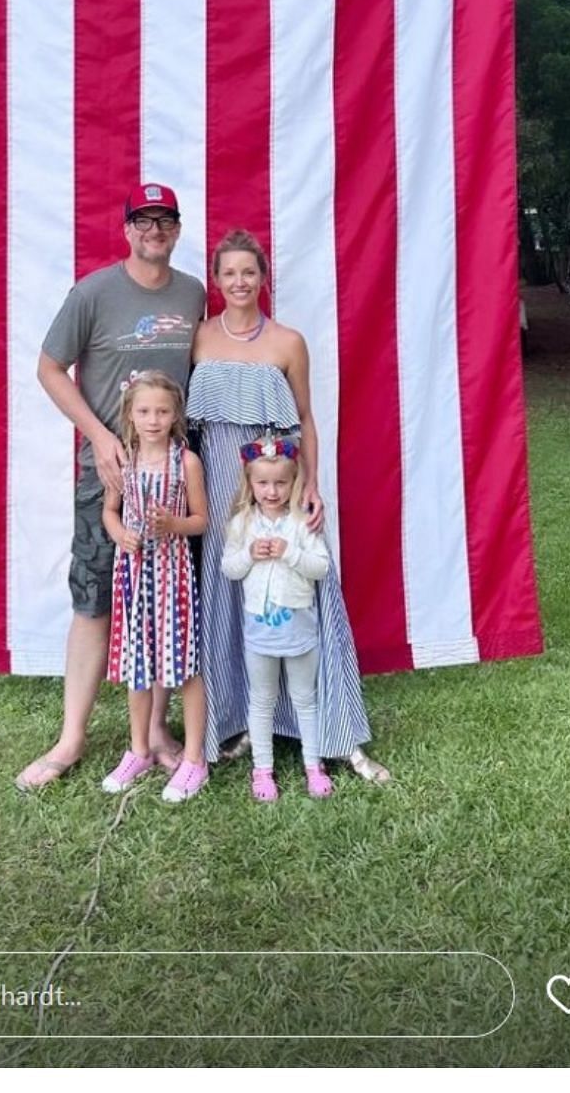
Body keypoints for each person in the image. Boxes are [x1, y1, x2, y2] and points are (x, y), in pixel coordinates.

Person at [15, 185, 206, 790]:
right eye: (143, 219)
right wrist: (99, 436)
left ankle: (154, 732)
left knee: (165, 603)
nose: (154, 229)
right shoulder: (93, 293)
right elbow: (49, 367)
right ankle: (71, 738)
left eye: (165, 219)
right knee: (96, 599)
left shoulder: (193, 293)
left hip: (173, 479)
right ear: (126, 229)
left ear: (176, 229)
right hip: (112, 477)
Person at [187, 228, 390, 783]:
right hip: (226, 492)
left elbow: (305, 419)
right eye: (228, 273)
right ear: (217, 279)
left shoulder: (288, 342)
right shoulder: (200, 338)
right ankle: (233, 721)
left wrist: (312, 486)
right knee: (228, 597)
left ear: (263, 278)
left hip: (280, 483)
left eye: (248, 272)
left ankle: (333, 730)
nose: (238, 282)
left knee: (306, 591)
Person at [102, 373, 209, 802]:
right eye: (144, 411)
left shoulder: (186, 463)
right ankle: (139, 749)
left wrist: (174, 524)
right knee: (138, 664)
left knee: (184, 664)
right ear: (130, 413)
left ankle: (195, 759)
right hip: (132, 574)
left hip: (173, 575)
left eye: (162, 411)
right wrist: (119, 533)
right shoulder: (123, 460)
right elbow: (110, 511)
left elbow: (202, 519)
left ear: (175, 415)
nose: (153, 420)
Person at [222, 440, 332, 800]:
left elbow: (321, 568)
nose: (272, 491)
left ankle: (313, 765)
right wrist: (250, 555)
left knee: (305, 698)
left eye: (280, 483)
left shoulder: (302, 523)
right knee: (262, 700)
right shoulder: (242, 525)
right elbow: (229, 569)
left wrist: (290, 553)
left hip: (299, 629)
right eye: (263, 484)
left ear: (293, 482)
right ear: (250, 484)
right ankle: (262, 770)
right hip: (260, 633)